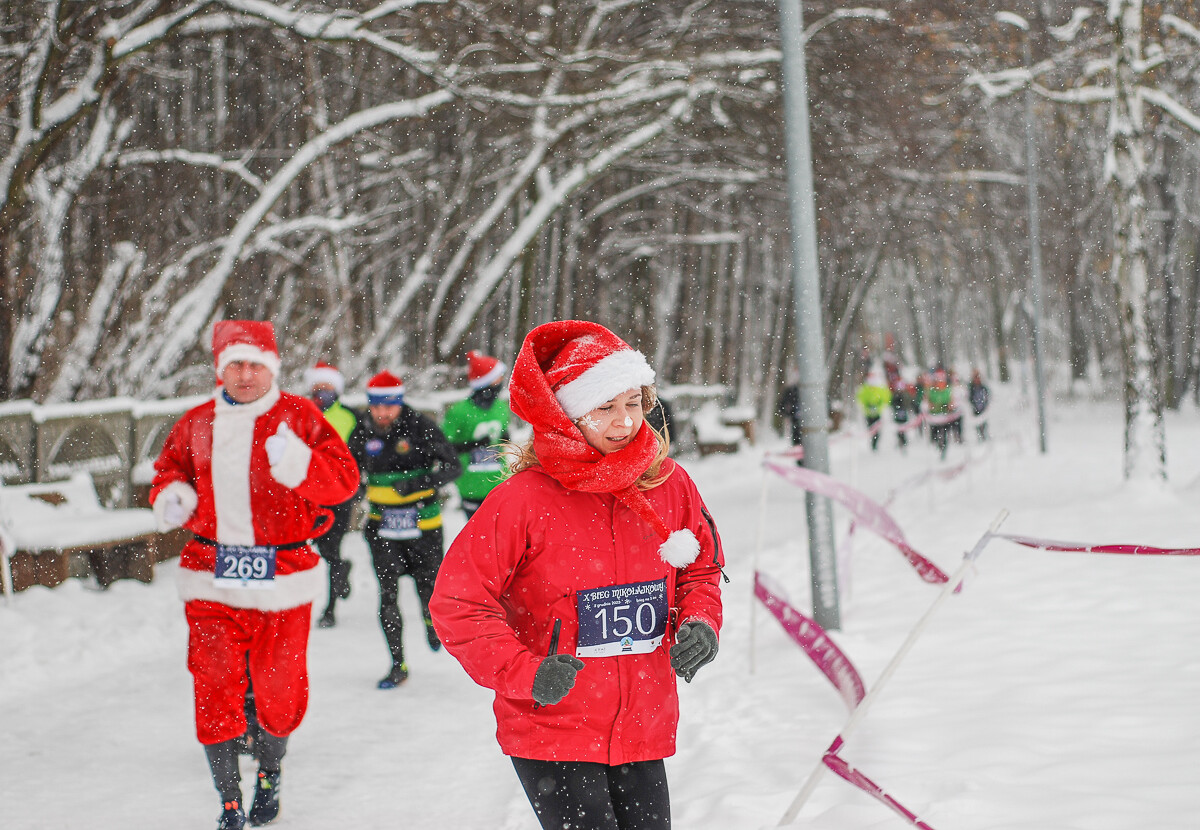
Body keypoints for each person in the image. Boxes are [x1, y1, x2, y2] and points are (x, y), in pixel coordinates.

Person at [429, 320, 725, 830]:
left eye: (633, 403)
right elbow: (459, 603)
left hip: (641, 720)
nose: (624, 421)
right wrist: (526, 673)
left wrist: (700, 622)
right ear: (565, 415)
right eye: (604, 407)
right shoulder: (521, 500)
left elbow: (701, 565)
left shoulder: (669, 485)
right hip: (554, 724)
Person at [150, 321, 360, 830]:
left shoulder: (300, 415)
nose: (245, 375)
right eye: (235, 365)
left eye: (255, 365)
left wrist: (302, 464)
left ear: (272, 367)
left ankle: (270, 771)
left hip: (283, 575)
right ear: (221, 370)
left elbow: (343, 482)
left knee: (279, 686)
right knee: (214, 685)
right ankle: (228, 800)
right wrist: (172, 496)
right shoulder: (196, 422)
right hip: (211, 573)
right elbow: (170, 469)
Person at [346, 370, 462, 689]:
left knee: (429, 590)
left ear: (400, 402)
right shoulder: (362, 430)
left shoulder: (421, 427)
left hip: (424, 525)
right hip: (382, 527)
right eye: (377, 407)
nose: (383, 413)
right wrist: (352, 491)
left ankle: (430, 622)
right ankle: (398, 665)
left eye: (389, 406)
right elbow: (349, 469)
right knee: (388, 596)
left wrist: (416, 483)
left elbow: (454, 466)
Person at [304, 361, 362, 628]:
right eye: (317, 389)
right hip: (307, 495)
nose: (321, 394)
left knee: (331, 546)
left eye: (327, 388)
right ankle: (338, 570)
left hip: (339, 494)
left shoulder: (351, 417)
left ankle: (330, 609)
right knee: (311, 550)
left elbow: (358, 456)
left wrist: (358, 485)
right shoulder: (302, 414)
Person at [441, 350, 512, 519]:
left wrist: (505, 437)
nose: (502, 382)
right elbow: (443, 447)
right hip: (471, 486)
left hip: (500, 483)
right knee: (479, 539)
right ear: (486, 383)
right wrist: (473, 445)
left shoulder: (501, 407)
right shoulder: (459, 411)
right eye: (498, 378)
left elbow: (502, 433)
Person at [855, 369, 891, 452]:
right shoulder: (864, 388)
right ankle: (873, 444)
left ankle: (875, 444)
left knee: (877, 430)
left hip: (877, 413)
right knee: (870, 429)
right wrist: (867, 406)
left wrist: (878, 406)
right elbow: (860, 398)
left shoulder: (880, 388)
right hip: (868, 413)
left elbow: (886, 399)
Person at [968, 368, 990, 441]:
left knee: (983, 423)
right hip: (976, 408)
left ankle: (984, 435)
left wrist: (985, 404)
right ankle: (979, 436)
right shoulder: (971, 388)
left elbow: (987, 396)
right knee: (977, 423)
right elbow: (969, 398)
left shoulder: (983, 387)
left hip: (982, 408)